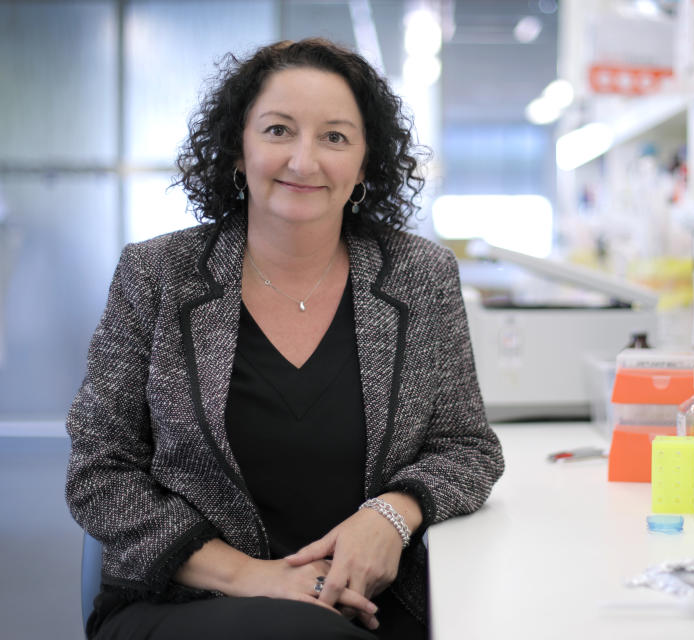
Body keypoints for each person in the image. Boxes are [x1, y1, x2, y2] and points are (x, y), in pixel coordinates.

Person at [65, 38, 504, 640]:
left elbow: (467, 448)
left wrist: (391, 519)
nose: (304, 161)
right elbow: (99, 470)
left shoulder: (420, 276)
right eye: (278, 130)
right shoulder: (158, 274)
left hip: (373, 606)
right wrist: (254, 576)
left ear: (365, 163)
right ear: (238, 151)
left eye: (335, 137)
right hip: (188, 604)